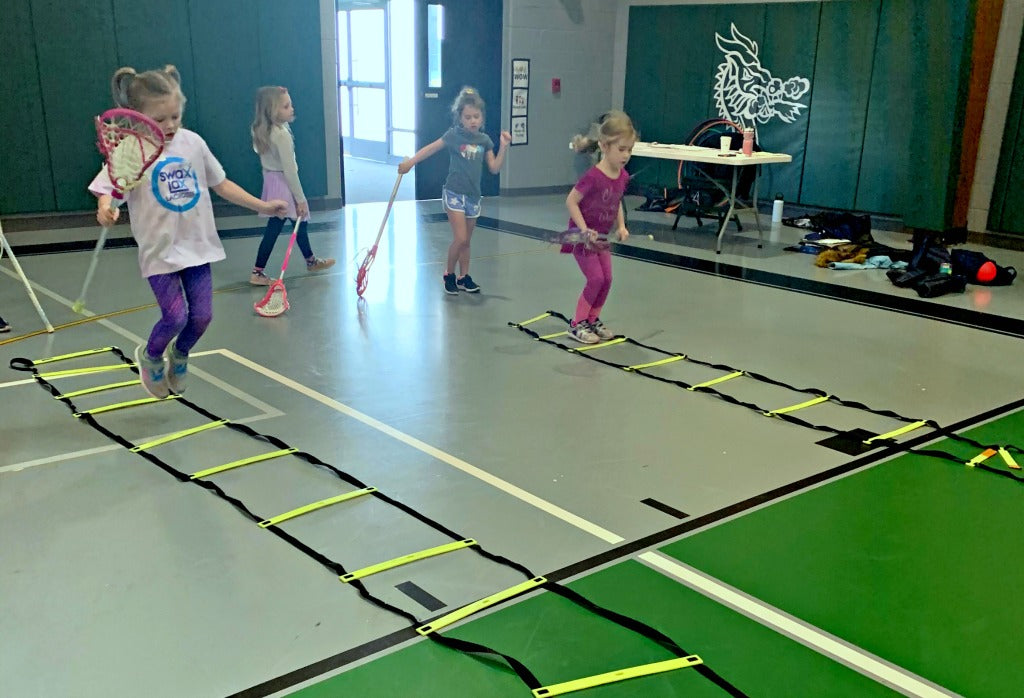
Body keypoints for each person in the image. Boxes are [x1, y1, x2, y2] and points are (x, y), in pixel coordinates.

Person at [90, 65, 287, 399]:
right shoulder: (132, 150)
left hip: (197, 246)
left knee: (202, 317)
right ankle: (151, 356)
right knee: (175, 315)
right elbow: (108, 188)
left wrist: (262, 205)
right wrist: (104, 207)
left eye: (175, 117)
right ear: (139, 117)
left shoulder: (193, 143)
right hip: (160, 250)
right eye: (160, 118)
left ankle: (180, 355)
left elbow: (220, 183)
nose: (169, 125)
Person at [398, 87, 511, 294]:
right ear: (460, 117)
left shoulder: (484, 141)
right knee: (460, 238)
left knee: (466, 241)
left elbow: (494, 168)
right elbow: (431, 148)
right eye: (468, 117)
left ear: (482, 117)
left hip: (473, 196)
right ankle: (449, 274)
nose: (472, 121)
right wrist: (411, 163)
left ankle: (463, 277)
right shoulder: (454, 136)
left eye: (476, 116)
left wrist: (503, 147)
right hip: (454, 193)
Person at [249, 86, 334, 286]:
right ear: (273, 111)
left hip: (272, 180)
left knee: (297, 223)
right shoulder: (281, 135)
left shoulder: (261, 129)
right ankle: (257, 271)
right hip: (284, 183)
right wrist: (301, 199)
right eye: (286, 106)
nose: (292, 109)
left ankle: (310, 260)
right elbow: (290, 171)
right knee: (279, 226)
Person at [563, 111, 636, 344]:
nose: (626, 155)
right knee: (595, 278)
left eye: (629, 150)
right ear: (604, 146)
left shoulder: (622, 176)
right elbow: (571, 201)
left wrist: (621, 226)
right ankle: (577, 324)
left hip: (602, 237)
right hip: (582, 238)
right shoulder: (593, 176)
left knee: (607, 279)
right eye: (621, 149)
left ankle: (592, 319)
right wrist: (583, 230)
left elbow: (616, 203)